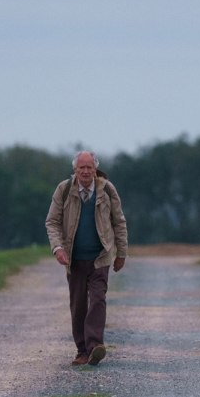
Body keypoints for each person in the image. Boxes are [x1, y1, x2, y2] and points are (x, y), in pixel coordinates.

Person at [45, 151, 128, 366]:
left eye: (89, 167)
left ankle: (95, 347)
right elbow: (52, 222)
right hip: (74, 258)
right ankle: (82, 351)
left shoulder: (107, 190)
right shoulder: (64, 190)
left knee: (98, 299)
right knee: (78, 304)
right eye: (81, 167)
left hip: (100, 257)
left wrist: (121, 253)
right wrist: (58, 248)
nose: (85, 171)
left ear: (95, 169)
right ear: (74, 169)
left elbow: (119, 222)